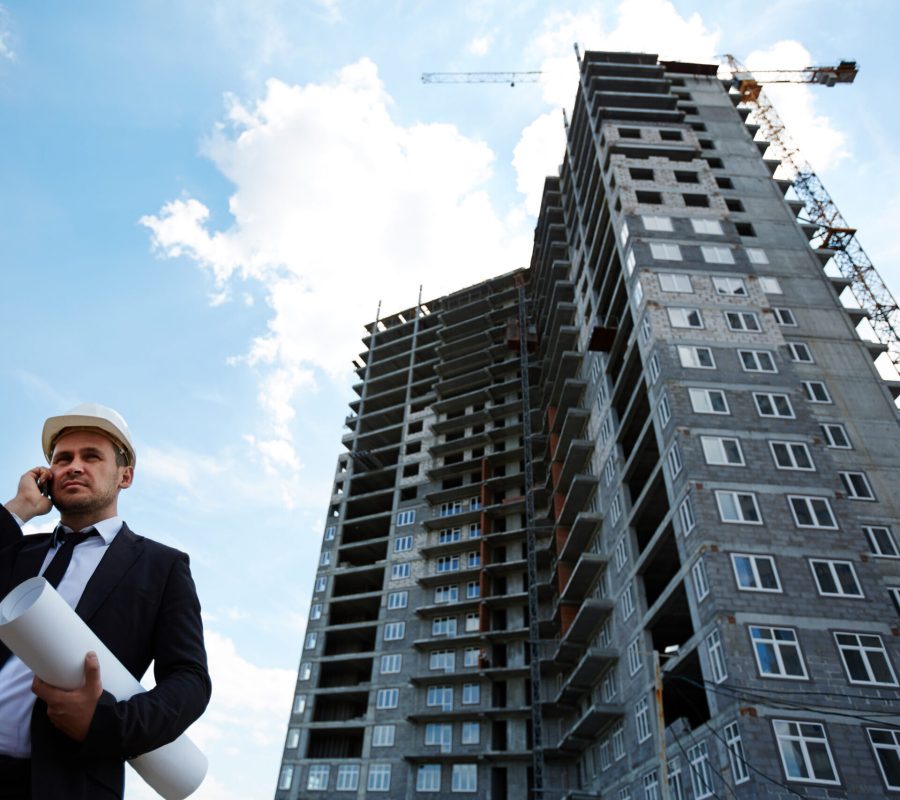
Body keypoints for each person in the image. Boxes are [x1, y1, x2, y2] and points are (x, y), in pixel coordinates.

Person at [0, 404, 211, 799]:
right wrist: (19, 509)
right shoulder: (15, 551)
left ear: (124, 476)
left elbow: (189, 680)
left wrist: (106, 723)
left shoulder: (161, 567)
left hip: (67, 783)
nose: (74, 467)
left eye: (91, 456)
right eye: (63, 459)